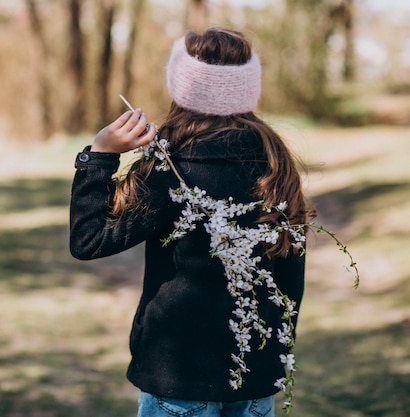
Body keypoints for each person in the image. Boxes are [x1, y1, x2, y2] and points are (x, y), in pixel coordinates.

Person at [69, 28, 315, 417]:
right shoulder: (275, 165)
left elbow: (88, 240)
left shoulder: (169, 170)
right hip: (252, 374)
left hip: (177, 373)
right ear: (248, 89)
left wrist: (99, 157)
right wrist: (273, 359)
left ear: (179, 87)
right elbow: (290, 277)